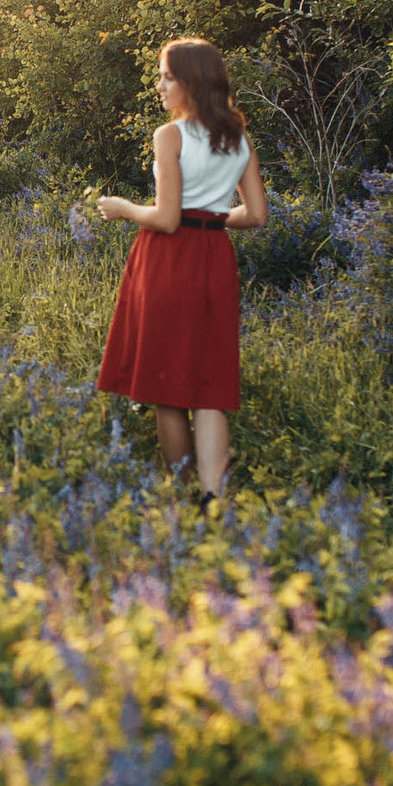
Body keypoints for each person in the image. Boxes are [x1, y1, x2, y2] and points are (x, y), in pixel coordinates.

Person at [93, 37, 265, 497]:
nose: (160, 86)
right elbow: (257, 215)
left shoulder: (170, 136)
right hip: (215, 260)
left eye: (167, 76)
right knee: (210, 386)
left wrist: (124, 208)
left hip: (168, 261)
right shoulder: (237, 138)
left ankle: (184, 491)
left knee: (164, 384)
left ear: (190, 82)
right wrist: (211, 220)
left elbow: (166, 218)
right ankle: (214, 497)